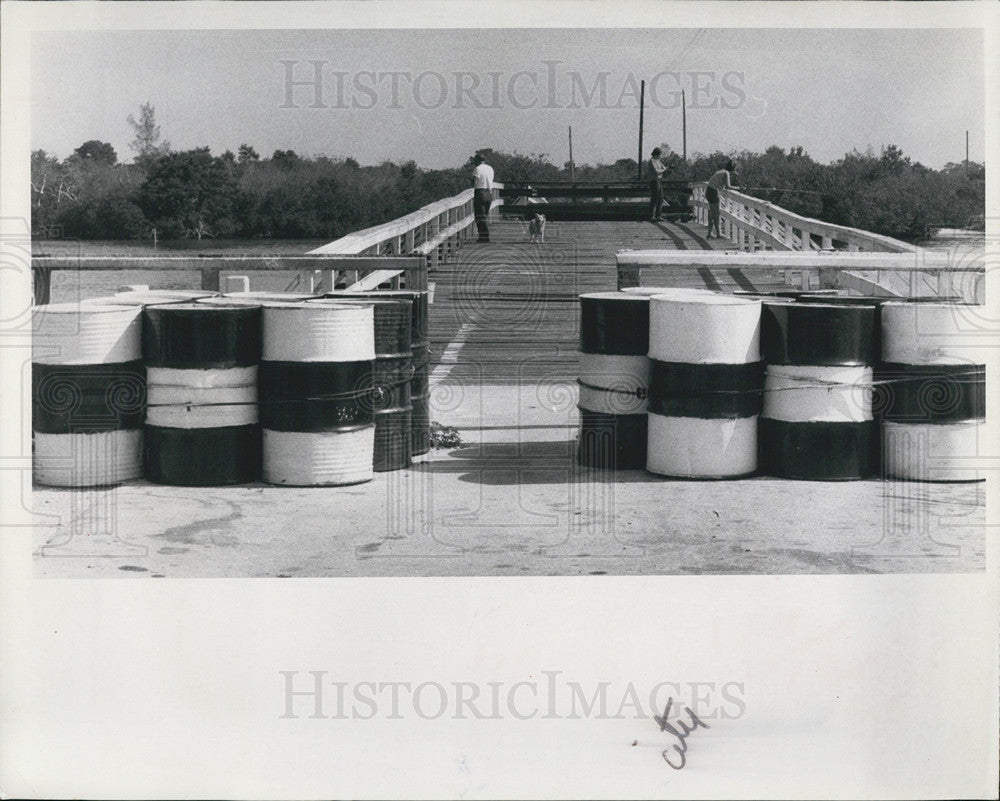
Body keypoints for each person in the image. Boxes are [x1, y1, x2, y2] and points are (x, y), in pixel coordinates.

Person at [706, 159, 737, 239]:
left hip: (709, 191)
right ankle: (718, 234)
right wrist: (739, 188)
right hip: (713, 192)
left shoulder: (721, 171)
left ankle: (710, 233)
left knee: (714, 214)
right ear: (733, 168)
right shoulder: (726, 173)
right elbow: (728, 186)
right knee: (715, 214)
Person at [472, 153, 495, 242]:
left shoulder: (477, 169)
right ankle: (484, 236)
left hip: (480, 193)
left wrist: (471, 181)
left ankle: (484, 237)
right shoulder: (490, 168)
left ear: (477, 160)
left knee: (480, 216)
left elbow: (474, 183)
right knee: (484, 216)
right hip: (489, 194)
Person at [647, 147, 667, 222]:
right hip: (654, 181)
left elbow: (664, 168)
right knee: (654, 198)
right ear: (657, 154)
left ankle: (658, 215)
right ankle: (652, 216)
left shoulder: (658, 161)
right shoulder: (652, 161)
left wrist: (668, 168)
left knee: (660, 198)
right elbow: (657, 171)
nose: (660, 156)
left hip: (659, 181)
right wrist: (665, 169)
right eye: (659, 154)